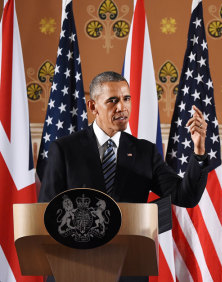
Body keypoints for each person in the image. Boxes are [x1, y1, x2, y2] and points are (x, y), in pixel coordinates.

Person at [39, 71, 209, 281]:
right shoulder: (65, 149)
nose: (122, 107)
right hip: (74, 269)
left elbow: (186, 196)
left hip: (128, 270)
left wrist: (199, 151)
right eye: (113, 101)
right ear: (93, 107)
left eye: (126, 98)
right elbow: (48, 212)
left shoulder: (144, 152)